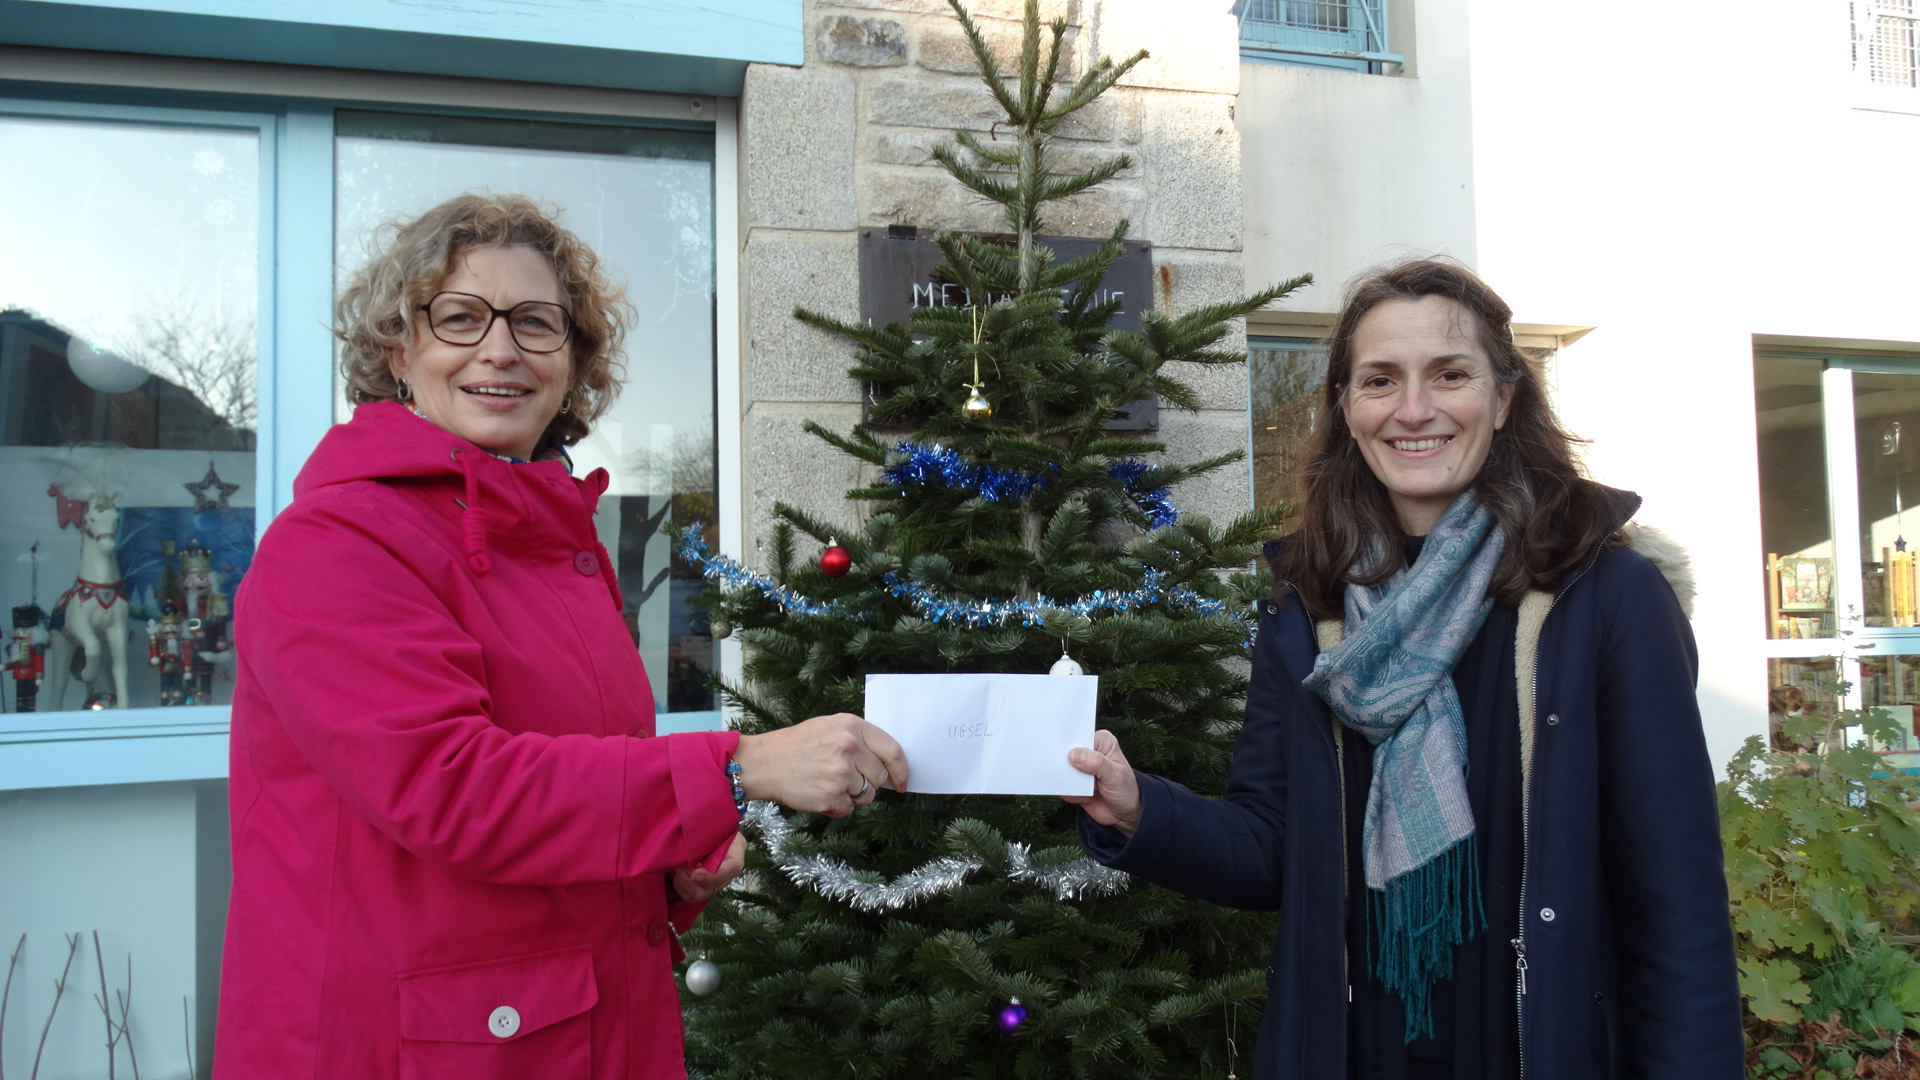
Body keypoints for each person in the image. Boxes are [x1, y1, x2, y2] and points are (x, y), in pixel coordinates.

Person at [217, 194, 908, 1080]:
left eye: (536, 324)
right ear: (398, 349)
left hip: (557, 1030)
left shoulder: (553, 547)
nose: (499, 350)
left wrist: (668, 871)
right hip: (398, 1044)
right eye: (460, 317)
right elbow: (453, 788)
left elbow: (569, 788)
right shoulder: (339, 542)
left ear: (573, 363)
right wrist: (735, 768)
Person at [1065, 260, 1742, 1079]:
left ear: (1503, 398)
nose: (1413, 410)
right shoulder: (1305, 604)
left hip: (1535, 1048)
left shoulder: (1606, 596)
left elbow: (1676, 907)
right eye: (1380, 380)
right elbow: (1273, 847)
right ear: (1347, 408)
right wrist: (1139, 812)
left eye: (1449, 375)